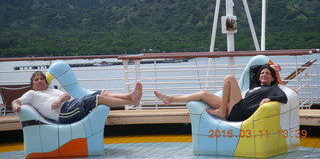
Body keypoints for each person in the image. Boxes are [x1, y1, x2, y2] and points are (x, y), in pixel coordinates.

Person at [154, 64, 287, 122]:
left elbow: (283, 97)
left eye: (268, 74)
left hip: (240, 111)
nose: (264, 75)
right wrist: (270, 67)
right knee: (203, 94)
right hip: (236, 106)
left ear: (272, 78)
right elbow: (253, 68)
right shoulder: (255, 84)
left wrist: (270, 99)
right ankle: (171, 99)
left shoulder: (273, 88)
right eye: (262, 73)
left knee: (229, 78)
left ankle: (222, 110)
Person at [12, 71, 142, 124]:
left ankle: (129, 97)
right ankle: (132, 101)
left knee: (101, 92)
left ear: (46, 82)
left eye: (42, 79)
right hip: (64, 114)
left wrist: (58, 99)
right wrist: (16, 106)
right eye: (36, 79)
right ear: (33, 84)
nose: (40, 81)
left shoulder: (51, 90)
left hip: (70, 105)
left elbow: (66, 95)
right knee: (98, 99)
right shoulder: (32, 94)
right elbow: (16, 101)